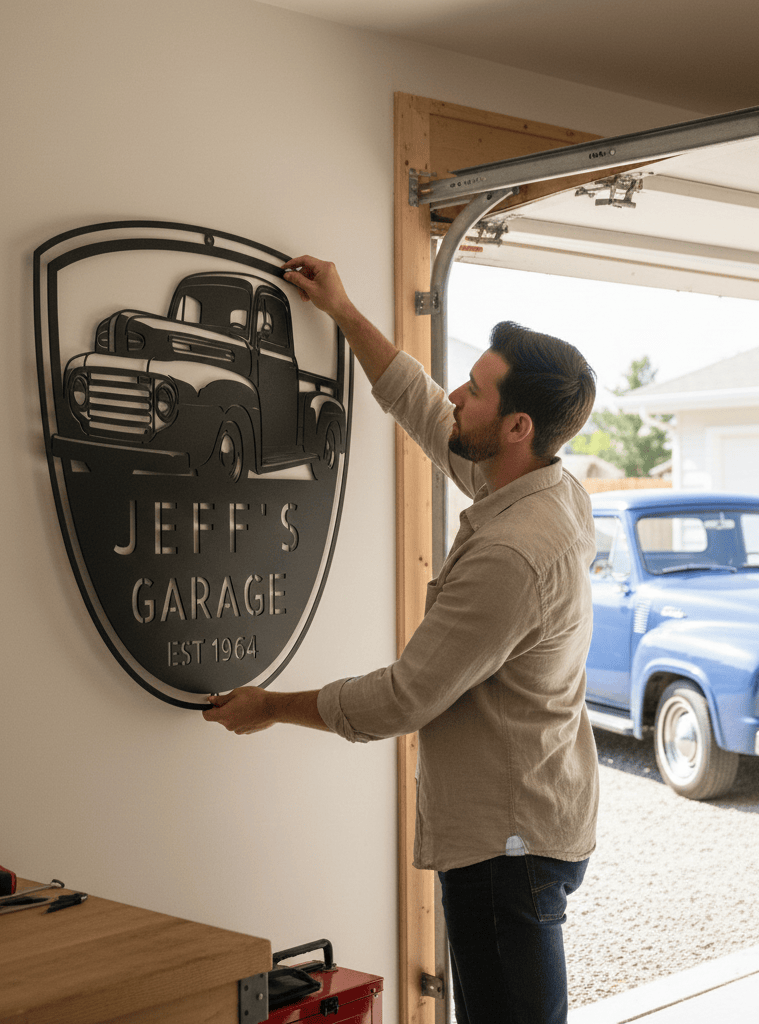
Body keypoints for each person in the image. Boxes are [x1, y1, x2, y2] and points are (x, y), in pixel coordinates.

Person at [203, 255, 600, 1024]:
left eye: (477, 391)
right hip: (533, 822)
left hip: (506, 847)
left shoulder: (513, 553)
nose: (458, 393)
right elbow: (427, 409)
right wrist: (345, 313)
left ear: (516, 426)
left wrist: (270, 706)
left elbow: (403, 698)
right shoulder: (539, 480)